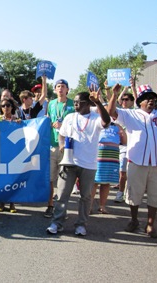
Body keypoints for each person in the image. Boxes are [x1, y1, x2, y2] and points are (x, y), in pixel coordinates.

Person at [46, 90, 110, 236]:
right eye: (74, 102)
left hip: (88, 164)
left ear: (88, 103)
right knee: (62, 194)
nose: (75, 104)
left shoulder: (95, 117)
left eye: (78, 102)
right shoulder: (69, 117)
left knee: (86, 196)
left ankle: (81, 224)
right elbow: (62, 135)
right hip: (69, 162)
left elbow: (106, 122)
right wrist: (62, 144)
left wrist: (98, 102)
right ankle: (57, 223)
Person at [107, 84, 157, 238]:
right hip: (137, 161)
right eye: (146, 98)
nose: (150, 100)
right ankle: (134, 220)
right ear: (140, 101)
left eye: (152, 97)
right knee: (134, 194)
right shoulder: (131, 115)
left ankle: (150, 224)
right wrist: (114, 94)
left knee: (155, 194)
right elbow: (111, 112)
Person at [44, 79, 75, 218]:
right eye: (58, 87)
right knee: (50, 179)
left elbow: (76, 124)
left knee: (65, 180)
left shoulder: (72, 104)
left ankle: (62, 208)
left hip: (67, 147)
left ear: (67, 89)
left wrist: (63, 125)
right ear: (55, 89)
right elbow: (47, 119)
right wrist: (50, 123)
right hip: (52, 146)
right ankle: (50, 205)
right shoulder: (51, 104)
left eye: (63, 87)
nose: (60, 89)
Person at [90, 120, 126, 214]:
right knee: (94, 181)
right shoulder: (97, 122)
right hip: (98, 154)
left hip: (112, 156)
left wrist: (122, 131)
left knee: (106, 182)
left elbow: (124, 141)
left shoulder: (117, 126)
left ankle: (102, 206)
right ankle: (88, 206)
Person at [0, 97, 20, 213]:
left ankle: (12, 203)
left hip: (12, 152)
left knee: (12, 178)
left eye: (8, 106)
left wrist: (20, 123)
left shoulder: (16, 119)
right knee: (1, 178)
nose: (6, 108)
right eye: (3, 106)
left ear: (12, 107)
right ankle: (1, 201)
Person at [114, 92, 135, 203]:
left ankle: (120, 193)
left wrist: (131, 87)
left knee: (123, 172)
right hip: (116, 146)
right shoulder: (118, 113)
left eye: (127, 99)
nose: (124, 101)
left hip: (128, 146)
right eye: (122, 99)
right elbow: (113, 101)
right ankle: (123, 190)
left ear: (132, 102)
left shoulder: (135, 113)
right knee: (119, 171)